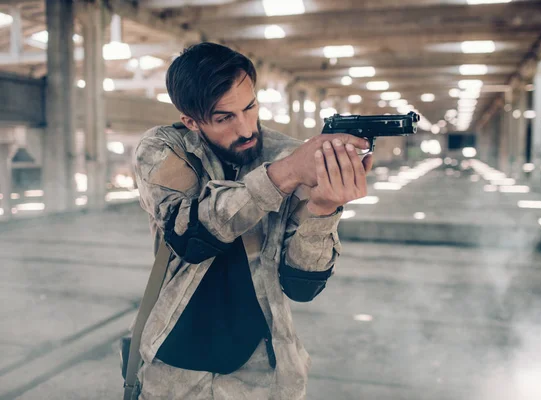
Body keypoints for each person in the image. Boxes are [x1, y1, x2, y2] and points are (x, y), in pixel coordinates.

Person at [132, 42, 374, 399]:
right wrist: (284, 176)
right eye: (224, 117)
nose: (245, 128)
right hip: (176, 368)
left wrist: (323, 210)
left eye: (250, 107)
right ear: (191, 121)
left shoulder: (284, 154)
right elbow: (191, 235)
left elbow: (302, 286)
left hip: (263, 374)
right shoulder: (164, 149)